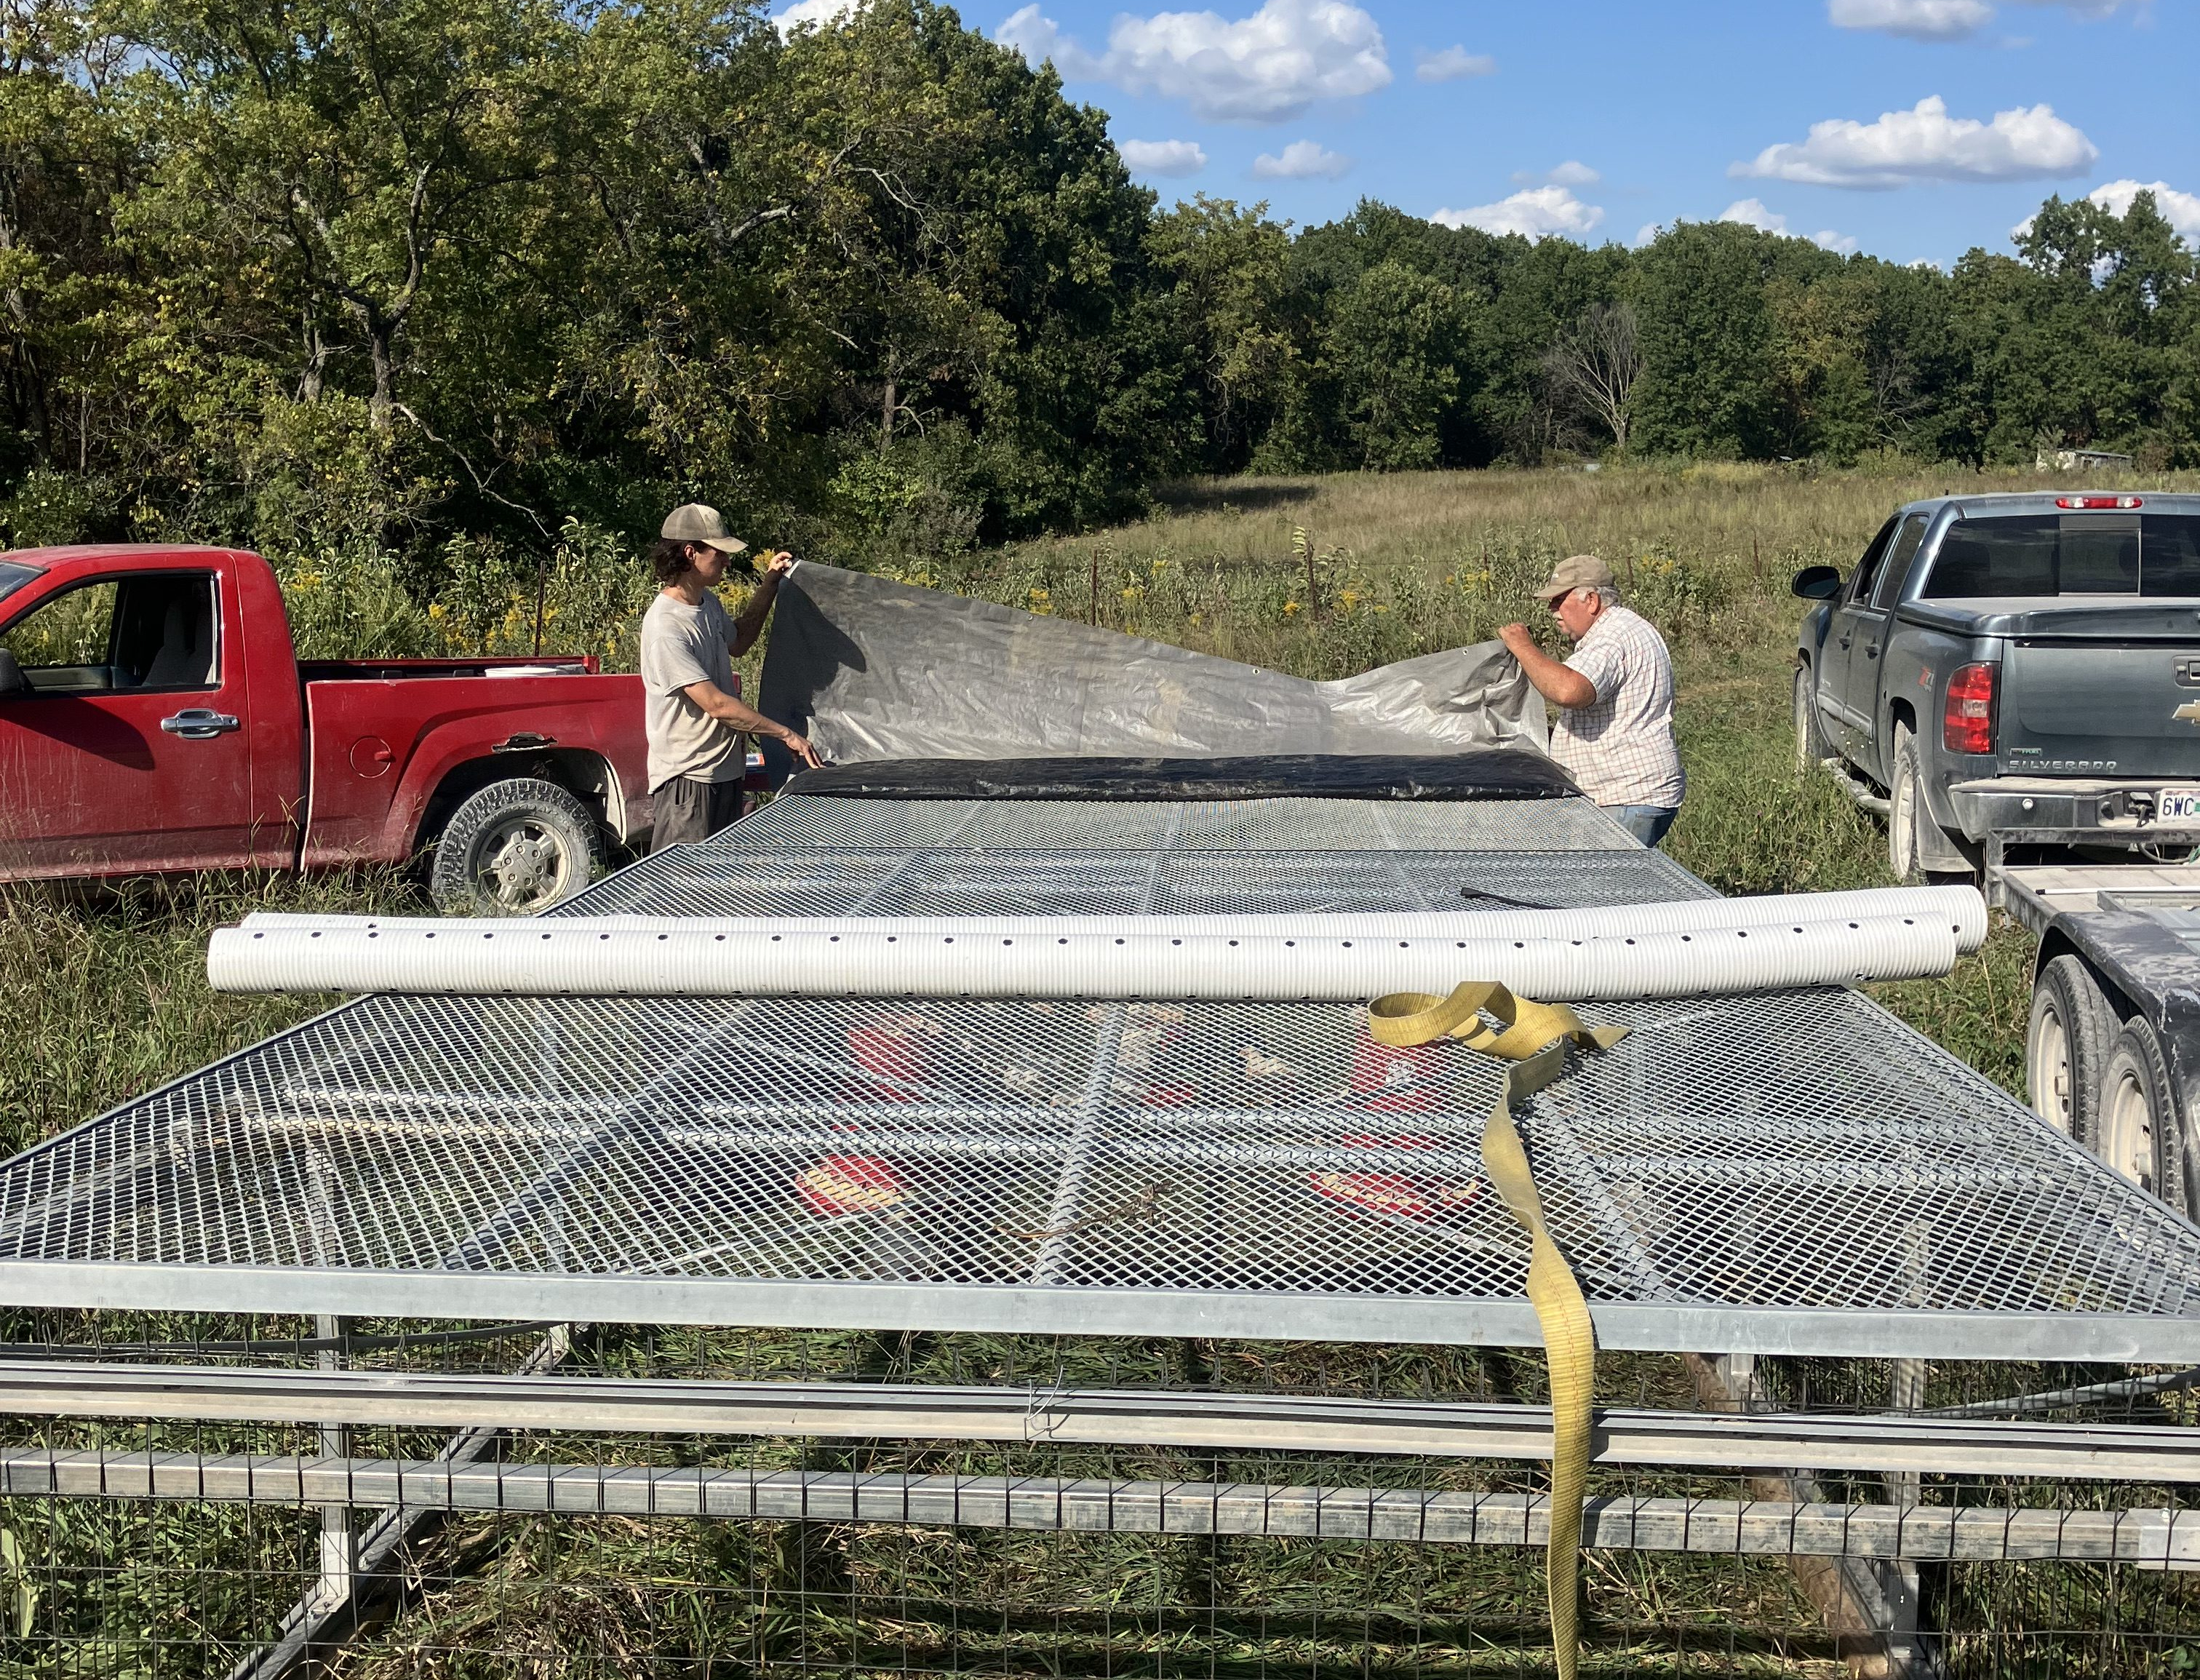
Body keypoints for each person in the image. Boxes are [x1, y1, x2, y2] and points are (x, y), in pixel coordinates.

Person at [641, 503, 823, 851]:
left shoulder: (706, 603)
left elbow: (739, 641)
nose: (726, 561)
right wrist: (786, 734)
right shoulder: (666, 628)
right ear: (690, 554)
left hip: (725, 772)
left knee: (720, 878)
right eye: (719, 553)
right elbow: (717, 705)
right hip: (689, 780)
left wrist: (771, 583)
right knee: (683, 880)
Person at [1498, 554, 1684, 848]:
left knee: (1602, 878)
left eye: (1559, 600)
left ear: (1592, 601)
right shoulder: (1626, 628)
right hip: (1633, 795)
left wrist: (1523, 648)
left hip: (1625, 798)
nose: (1552, 610)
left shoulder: (1612, 637)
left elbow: (1570, 691)